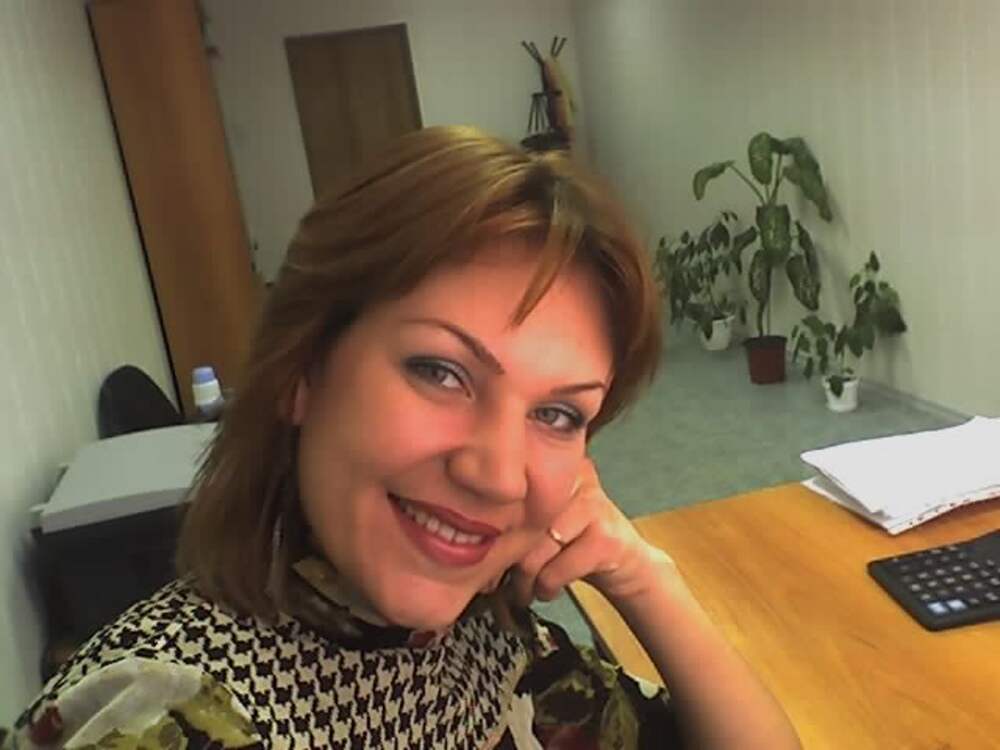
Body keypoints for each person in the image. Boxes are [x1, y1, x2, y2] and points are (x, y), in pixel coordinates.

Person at [4, 126, 801, 749]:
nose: (498, 475)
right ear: (303, 369)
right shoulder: (166, 714)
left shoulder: (481, 637)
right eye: (441, 372)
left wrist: (644, 576)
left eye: (558, 414)